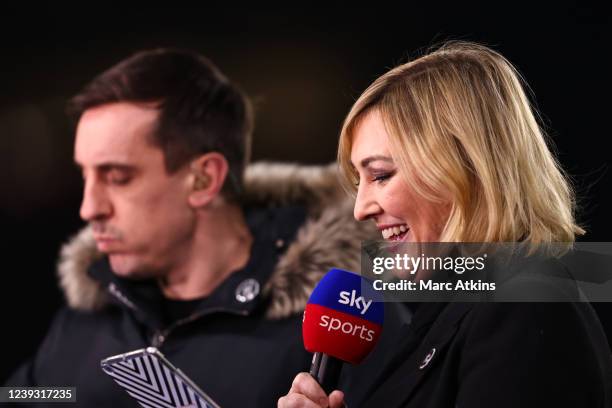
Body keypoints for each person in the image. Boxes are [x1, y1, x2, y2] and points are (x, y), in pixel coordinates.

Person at [5, 48, 374, 407]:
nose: (89, 208)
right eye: (84, 175)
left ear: (202, 180)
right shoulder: (94, 303)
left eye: (117, 177)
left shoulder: (341, 322)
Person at [278, 42, 612, 407]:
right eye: (359, 182)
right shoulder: (454, 309)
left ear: (463, 167)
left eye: (381, 175)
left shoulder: (526, 307)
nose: (360, 210)